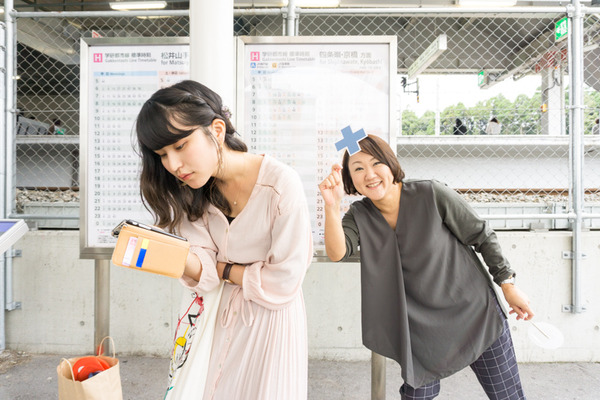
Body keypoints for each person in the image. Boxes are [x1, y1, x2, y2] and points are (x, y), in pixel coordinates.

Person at [318, 134, 534, 400]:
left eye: (376, 163)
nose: (369, 175)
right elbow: (338, 252)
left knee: (507, 396)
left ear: (391, 164)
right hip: (420, 331)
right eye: (358, 168)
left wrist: (508, 286)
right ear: (350, 179)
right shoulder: (359, 215)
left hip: (474, 314)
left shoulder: (430, 193)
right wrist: (332, 206)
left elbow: (481, 235)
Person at [135, 80, 313, 399]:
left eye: (180, 146)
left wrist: (225, 270)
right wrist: (171, 255)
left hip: (272, 322)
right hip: (218, 318)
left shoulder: (280, 185)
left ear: (217, 130)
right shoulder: (194, 192)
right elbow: (204, 270)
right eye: (162, 154)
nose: (173, 165)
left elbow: (285, 279)